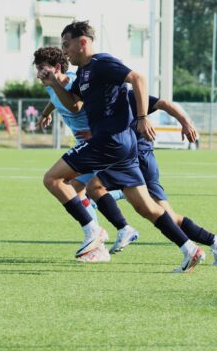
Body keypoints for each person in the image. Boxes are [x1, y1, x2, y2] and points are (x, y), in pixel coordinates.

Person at [40, 21, 205, 273]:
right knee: (146, 207)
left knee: (53, 179)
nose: (65, 51)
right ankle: (189, 250)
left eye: (67, 45)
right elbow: (73, 105)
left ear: (83, 42)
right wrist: (53, 82)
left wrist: (141, 117)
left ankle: (93, 233)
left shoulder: (102, 63)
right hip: (123, 146)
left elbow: (137, 78)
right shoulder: (83, 74)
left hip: (108, 140)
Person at [88, 90, 217, 264]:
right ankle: (213, 241)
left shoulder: (129, 95)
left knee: (167, 216)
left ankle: (119, 229)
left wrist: (186, 123)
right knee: (91, 186)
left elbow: (165, 104)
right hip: (123, 159)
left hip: (140, 160)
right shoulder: (99, 95)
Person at [33, 47, 135, 259]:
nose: (38, 74)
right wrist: (45, 113)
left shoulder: (70, 81)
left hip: (97, 142)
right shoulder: (52, 84)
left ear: (57, 68)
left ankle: (99, 231)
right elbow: (55, 98)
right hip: (87, 142)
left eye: (42, 68)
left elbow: (75, 106)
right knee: (78, 190)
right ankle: (101, 241)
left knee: (60, 183)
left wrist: (52, 83)